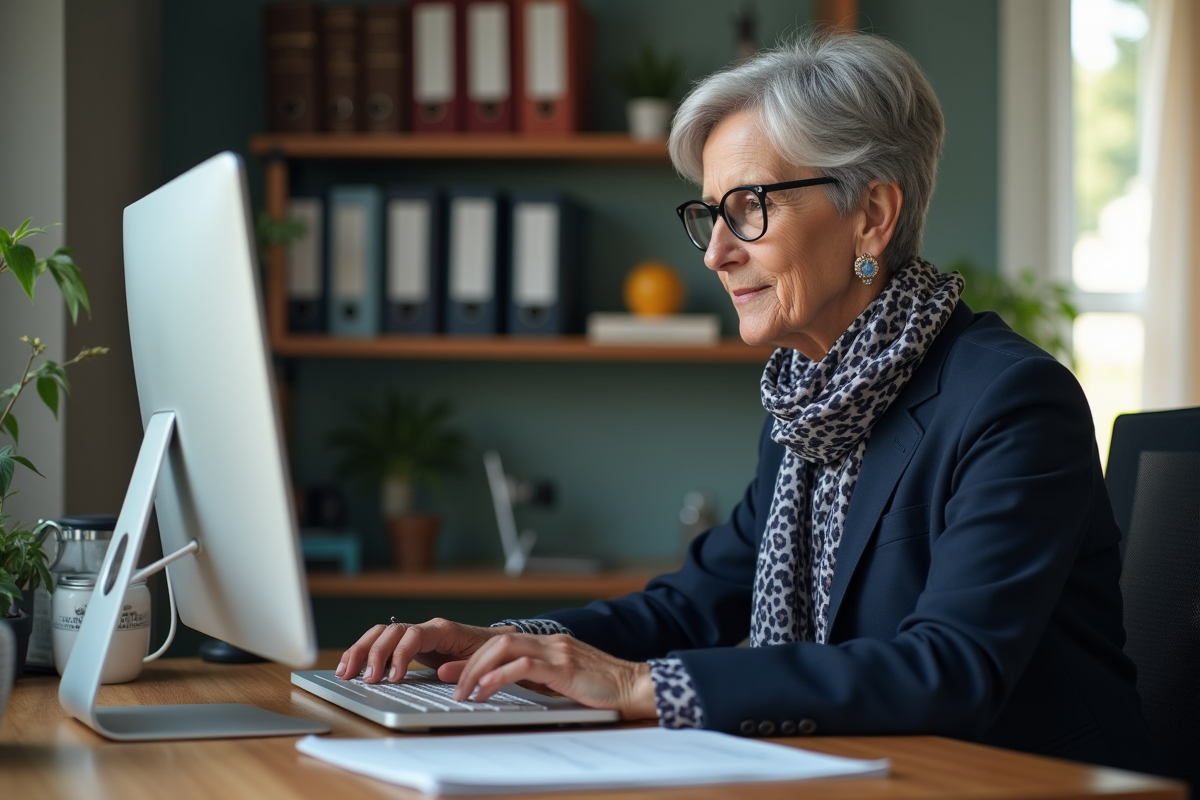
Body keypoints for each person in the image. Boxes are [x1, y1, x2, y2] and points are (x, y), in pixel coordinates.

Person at [337, 31, 1165, 774]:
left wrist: (636, 685)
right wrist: (512, 643)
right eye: (711, 215)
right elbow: (691, 604)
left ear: (872, 215)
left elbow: (950, 667)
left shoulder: (1010, 402)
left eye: (750, 208)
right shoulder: (807, 402)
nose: (717, 253)